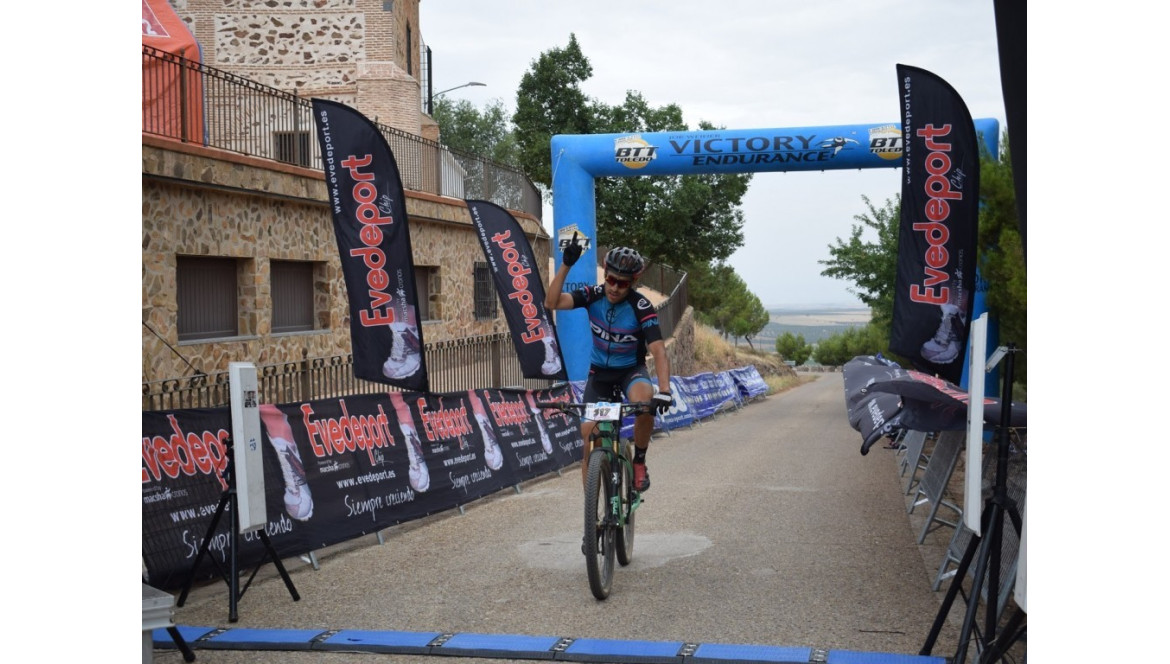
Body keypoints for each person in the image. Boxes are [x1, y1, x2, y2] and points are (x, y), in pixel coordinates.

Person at [544, 238, 673, 493]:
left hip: (630, 372)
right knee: (589, 437)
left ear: (632, 283)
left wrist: (665, 391)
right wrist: (566, 265)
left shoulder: (640, 306)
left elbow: (658, 350)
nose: (614, 288)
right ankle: (591, 517)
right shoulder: (594, 295)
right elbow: (552, 303)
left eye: (622, 284)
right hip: (600, 375)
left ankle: (638, 461)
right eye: (610, 279)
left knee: (645, 402)